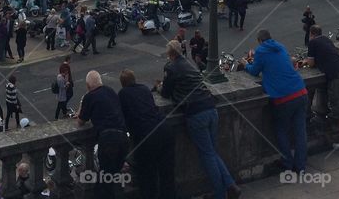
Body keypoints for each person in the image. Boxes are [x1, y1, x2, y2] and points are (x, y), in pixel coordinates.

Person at [158, 41, 239, 199]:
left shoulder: (171, 67)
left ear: (170, 54)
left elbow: (166, 93)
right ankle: (231, 186)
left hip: (196, 112)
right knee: (212, 152)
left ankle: (220, 194)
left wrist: (160, 87)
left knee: (207, 155)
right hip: (211, 108)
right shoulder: (190, 64)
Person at [243, 29, 308, 175]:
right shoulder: (281, 46)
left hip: (283, 97)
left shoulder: (260, 51)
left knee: (281, 130)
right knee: (300, 131)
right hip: (300, 91)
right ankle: (301, 166)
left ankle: (287, 162)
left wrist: (245, 64)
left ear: (260, 41)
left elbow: (254, 71)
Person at [118, 69, 174, 199]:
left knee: (147, 177)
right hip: (164, 129)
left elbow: (121, 117)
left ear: (122, 83)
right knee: (167, 175)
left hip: (146, 136)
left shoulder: (123, 94)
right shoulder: (144, 89)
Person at [304, 25, 339, 151]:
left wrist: (307, 61)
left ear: (311, 34)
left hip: (337, 77)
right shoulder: (327, 40)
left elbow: (310, 63)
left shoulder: (313, 43)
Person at [77, 71, 129, 199]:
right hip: (123, 137)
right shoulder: (111, 91)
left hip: (108, 139)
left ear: (88, 86)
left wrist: (82, 103)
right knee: (116, 175)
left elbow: (80, 121)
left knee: (105, 179)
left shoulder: (90, 96)